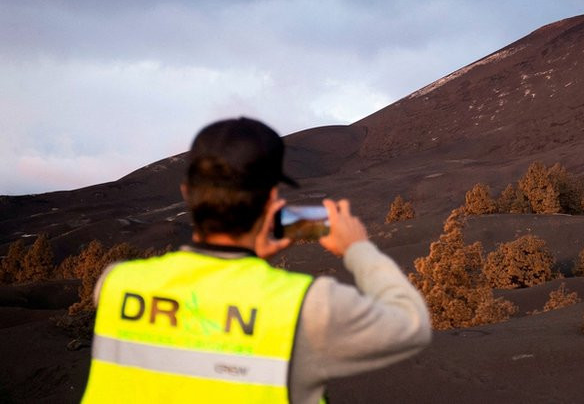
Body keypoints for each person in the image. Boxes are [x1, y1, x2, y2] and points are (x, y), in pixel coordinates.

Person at [82, 117, 431, 403]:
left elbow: (194, 310)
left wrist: (244, 259)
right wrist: (357, 248)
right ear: (271, 202)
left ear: (188, 194)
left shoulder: (115, 284)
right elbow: (411, 324)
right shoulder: (305, 307)